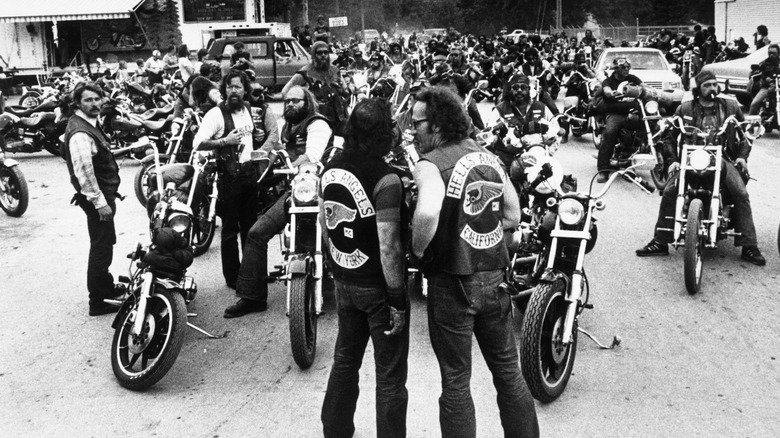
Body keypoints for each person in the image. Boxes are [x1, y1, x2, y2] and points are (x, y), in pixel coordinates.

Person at [409, 86, 539, 438]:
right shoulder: (488, 157)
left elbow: (427, 213)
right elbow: (512, 215)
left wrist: (418, 250)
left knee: (455, 380)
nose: (413, 129)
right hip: (494, 277)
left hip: (452, 281)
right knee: (508, 371)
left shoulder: (429, 165)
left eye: (417, 122)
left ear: (437, 125)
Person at [320, 98, 409, 438]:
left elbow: (325, 224)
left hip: (346, 280)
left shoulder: (331, 168)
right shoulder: (387, 180)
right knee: (390, 375)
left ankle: (335, 430)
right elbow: (388, 245)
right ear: (384, 133)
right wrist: (397, 298)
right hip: (377, 287)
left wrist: (338, 268)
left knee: (345, 361)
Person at [636, 70, 765, 265]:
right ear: (698, 89)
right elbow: (669, 136)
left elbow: (747, 132)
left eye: (714, 84)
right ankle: (660, 241)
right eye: (707, 85)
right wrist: (673, 160)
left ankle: (749, 245)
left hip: (722, 158)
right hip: (691, 159)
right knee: (670, 191)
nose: (712, 88)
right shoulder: (685, 108)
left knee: (740, 193)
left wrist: (741, 157)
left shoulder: (730, 106)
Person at [226, 85, 333, 318]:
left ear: (307, 102)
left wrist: (291, 166)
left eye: (296, 100)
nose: (290, 104)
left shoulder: (317, 124)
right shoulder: (288, 126)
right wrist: (263, 165)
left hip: (321, 191)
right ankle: (252, 297)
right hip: (297, 192)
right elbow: (280, 151)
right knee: (257, 232)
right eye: (287, 101)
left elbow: (312, 155)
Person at [192, 70, 280, 293]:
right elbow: (198, 143)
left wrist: (259, 142)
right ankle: (233, 278)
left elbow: (254, 137)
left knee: (251, 229)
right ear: (224, 89)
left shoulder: (249, 109)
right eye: (229, 87)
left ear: (245, 90)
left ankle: (253, 274)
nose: (233, 91)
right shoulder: (215, 114)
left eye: (238, 87)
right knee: (230, 231)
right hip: (229, 178)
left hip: (250, 175)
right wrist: (224, 141)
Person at [61, 82, 124, 316]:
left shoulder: (88, 123)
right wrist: (100, 203)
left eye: (97, 99)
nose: (95, 103)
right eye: (88, 100)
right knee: (101, 247)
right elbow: (85, 173)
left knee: (105, 241)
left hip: (102, 195)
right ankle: (97, 301)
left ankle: (106, 286)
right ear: (78, 103)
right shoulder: (80, 132)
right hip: (97, 198)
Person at [283, 41, 349, 135]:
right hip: (315, 119)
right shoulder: (305, 72)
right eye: (319, 53)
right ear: (314, 55)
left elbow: (345, 91)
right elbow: (285, 92)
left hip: (338, 117)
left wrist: (348, 88)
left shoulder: (334, 70)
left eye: (326, 52)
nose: (323, 55)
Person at [596, 57, 643, 182]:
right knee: (610, 132)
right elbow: (606, 90)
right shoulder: (609, 81)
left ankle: (635, 158)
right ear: (616, 69)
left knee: (650, 126)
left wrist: (652, 92)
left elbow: (643, 86)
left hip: (633, 111)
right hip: (615, 113)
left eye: (628, 67)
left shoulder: (632, 79)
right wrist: (611, 93)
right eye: (623, 67)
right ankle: (603, 170)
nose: (626, 69)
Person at [749, 44, 780, 115]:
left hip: (778, 86)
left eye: (774, 53)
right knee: (754, 103)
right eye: (770, 53)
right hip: (767, 87)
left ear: (778, 53)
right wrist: (766, 79)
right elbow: (760, 74)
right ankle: (749, 120)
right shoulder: (764, 63)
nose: (771, 55)